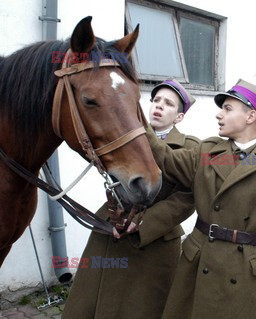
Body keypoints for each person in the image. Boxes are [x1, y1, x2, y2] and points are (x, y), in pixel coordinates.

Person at [144, 79, 256, 319]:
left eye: (227, 108)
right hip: (199, 262)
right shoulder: (207, 151)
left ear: (250, 116)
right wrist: (136, 123)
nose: (218, 115)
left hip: (247, 273)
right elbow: (166, 159)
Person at [62, 79, 199, 319]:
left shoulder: (190, 147)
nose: (159, 106)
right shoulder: (123, 136)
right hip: (109, 232)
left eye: (168, 104)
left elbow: (187, 197)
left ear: (178, 117)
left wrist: (143, 224)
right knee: (88, 302)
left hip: (153, 241)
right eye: (156, 100)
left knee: (141, 308)